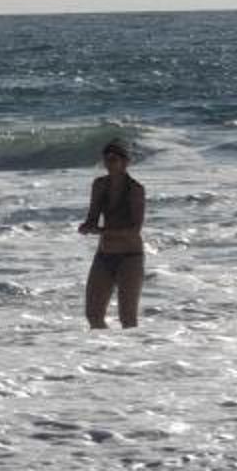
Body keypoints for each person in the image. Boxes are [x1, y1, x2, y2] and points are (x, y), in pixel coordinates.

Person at [79, 138, 146, 329]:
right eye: (106, 159)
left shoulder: (135, 189)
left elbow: (135, 230)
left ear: (125, 162)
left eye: (113, 159)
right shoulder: (99, 185)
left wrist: (101, 231)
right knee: (93, 315)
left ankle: (133, 349)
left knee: (128, 318)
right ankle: (104, 347)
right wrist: (87, 226)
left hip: (130, 257)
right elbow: (92, 217)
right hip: (104, 254)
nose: (109, 163)